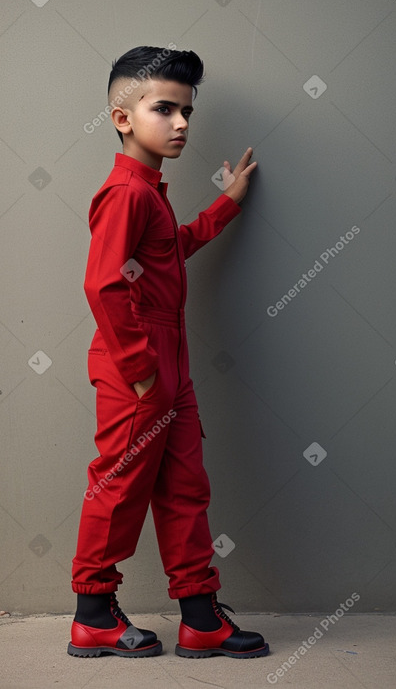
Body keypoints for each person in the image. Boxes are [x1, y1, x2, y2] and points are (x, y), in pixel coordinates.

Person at [68, 46, 269, 659]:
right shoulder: (126, 192)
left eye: (187, 110)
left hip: (168, 366)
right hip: (140, 367)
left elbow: (167, 252)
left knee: (186, 487)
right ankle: (93, 615)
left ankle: (202, 618)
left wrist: (226, 202)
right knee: (119, 485)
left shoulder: (150, 190)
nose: (182, 123)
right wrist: (142, 373)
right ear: (123, 117)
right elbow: (102, 284)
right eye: (165, 109)